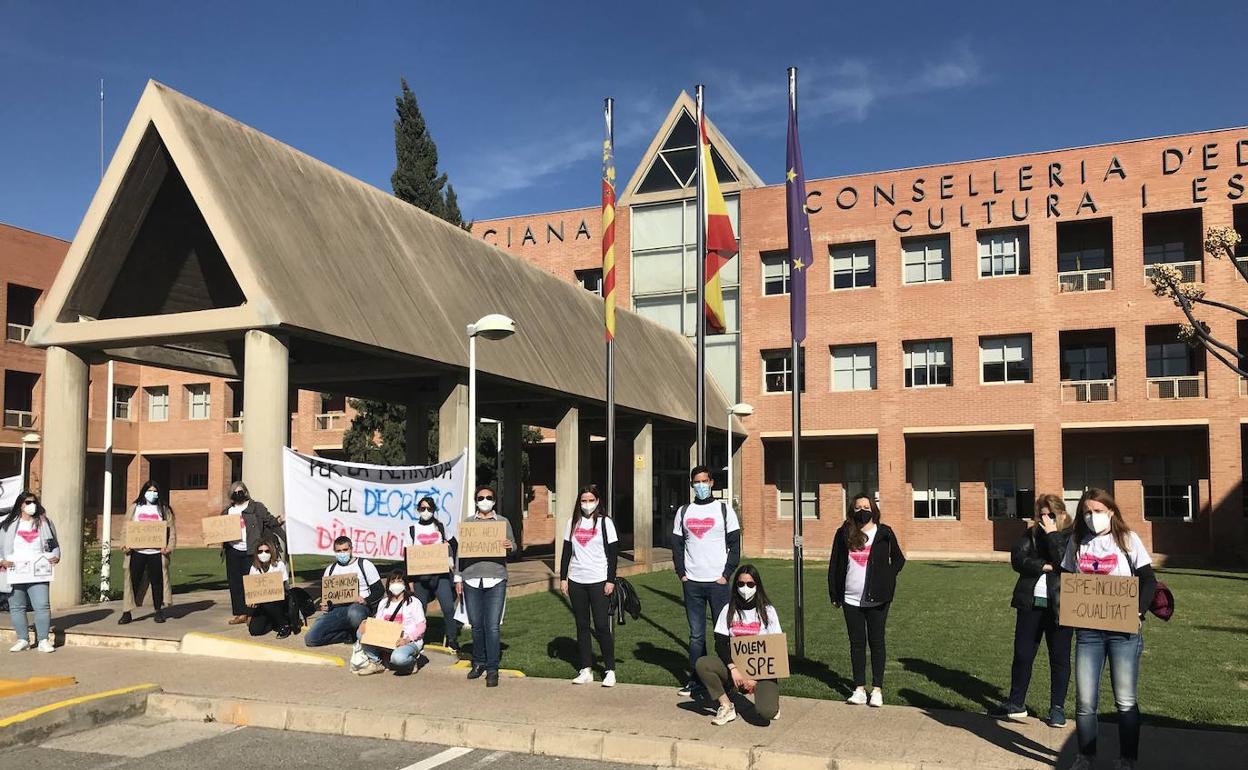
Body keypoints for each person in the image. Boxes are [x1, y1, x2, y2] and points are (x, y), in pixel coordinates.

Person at [1061, 488, 1156, 770]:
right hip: (1088, 632)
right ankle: (1085, 756)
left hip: (1123, 633)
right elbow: (1067, 578)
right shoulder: (1077, 541)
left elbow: (1148, 580)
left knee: (1125, 700)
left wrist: (1137, 611)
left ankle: (1127, 759)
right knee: (1085, 700)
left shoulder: (1127, 539)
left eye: (1098, 511)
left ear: (1111, 512)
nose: (1093, 517)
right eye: (1087, 512)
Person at [989, 494, 1073, 726]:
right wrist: (1043, 565)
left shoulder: (1070, 537)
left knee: (1059, 657)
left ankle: (1057, 708)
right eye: (1042, 515)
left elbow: (1066, 563)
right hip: (1031, 602)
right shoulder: (1031, 534)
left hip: (1060, 604)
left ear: (1062, 515)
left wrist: (1052, 534)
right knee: (1023, 653)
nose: (1045, 519)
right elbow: (1018, 558)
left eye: (1051, 515)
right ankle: (1016, 703)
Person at [828, 492, 905, 707]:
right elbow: (835, 563)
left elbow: (899, 559)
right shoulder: (844, 533)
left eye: (866, 506)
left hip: (878, 599)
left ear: (874, 509)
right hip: (851, 599)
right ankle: (859, 688)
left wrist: (888, 576)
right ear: (852, 510)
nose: (862, 511)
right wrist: (834, 593)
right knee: (857, 644)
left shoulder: (884, 533)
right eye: (858, 507)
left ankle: (877, 689)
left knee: (877, 642)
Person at [671, 464, 741, 697]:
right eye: (696, 482)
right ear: (692, 485)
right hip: (692, 582)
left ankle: (730, 680)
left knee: (723, 633)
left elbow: (735, 545)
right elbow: (677, 545)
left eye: (704, 481)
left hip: (717, 583)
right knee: (696, 635)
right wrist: (682, 574)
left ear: (712, 483)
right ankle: (697, 680)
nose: (700, 486)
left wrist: (726, 574)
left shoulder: (723, 510)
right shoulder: (684, 512)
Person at [695, 564, 782, 726]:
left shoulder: (767, 611)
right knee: (703, 664)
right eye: (741, 584)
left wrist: (754, 678)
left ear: (757, 585)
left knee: (766, 713)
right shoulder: (728, 610)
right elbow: (720, 643)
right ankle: (726, 705)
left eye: (750, 584)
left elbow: (775, 647)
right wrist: (734, 669)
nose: (745, 588)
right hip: (735, 667)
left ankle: (770, 699)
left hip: (762, 671)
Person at [455, 484, 516, 687]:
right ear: (475, 500)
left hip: (496, 578)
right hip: (471, 579)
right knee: (476, 626)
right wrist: (458, 578)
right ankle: (478, 662)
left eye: (488, 497)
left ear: (494, 500)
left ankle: (492, 668)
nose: (485, 501)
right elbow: (460, 554)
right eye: (481, 497)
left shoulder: (502, 522)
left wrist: (510, 546)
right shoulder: (468, 523)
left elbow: (514, 546)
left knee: (492, 626)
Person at [559, 484, 619, 687]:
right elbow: (566, 551)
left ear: (598, 501)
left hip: (599, 580)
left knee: (601, 625)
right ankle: (586, 668)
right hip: (577, 580)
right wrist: (563, 578)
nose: (587, 504)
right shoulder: (572, 523)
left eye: (590, 500)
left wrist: (610, 579)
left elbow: (613, 554)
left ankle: (609, 669)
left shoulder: (605, 523)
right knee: (582, 626)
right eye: (583, 500)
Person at [218, 480, 284, 625]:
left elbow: (269, 521)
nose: (238, 493)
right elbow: (219, 529)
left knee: (253, 582)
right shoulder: (227, 511)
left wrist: (279, 520)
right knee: (235, 582)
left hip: (251, 549)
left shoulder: (256, 507)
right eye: (235, 492)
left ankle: (252, 613)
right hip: (232, 550)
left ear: (246, 492)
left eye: (240, 491)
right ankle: (240, 613)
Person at [0, 491, 60, 653]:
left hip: (38, 571)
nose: (31, 505)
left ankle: (43, 640)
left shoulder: (44, 523)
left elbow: (54, 545)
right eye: (27, 502)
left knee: (42, 605)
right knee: (17, 606)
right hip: (15, 571)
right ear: (20, 505)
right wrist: (2, 561)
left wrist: (55, 556)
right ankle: (23, 639)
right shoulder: (8, 525)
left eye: (33, 502)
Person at [304, 536, 382, 649]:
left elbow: (379, 590)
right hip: (338, 610)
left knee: (354, 613)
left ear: (351, 549)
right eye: (338, 551)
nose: (342, 553)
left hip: (359, 608)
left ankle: (360, 631)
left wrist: (365, 601)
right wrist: (326, 605)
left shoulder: (364, 564)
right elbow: (328, 597)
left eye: (345, 550)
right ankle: (348, 634)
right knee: (311, 639)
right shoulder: (330, 570)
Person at [407, 496, 461, 652]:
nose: (426, 512)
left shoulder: (441, 528)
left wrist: (449, 553)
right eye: (423, 508)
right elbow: (407, 556)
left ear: (434, 511)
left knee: (448, 607)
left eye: (429, 509)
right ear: (418, 510)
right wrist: (409, 579)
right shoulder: (412, 529)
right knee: (419, 609)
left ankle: (452, 639)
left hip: (441, 575)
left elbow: (455, 544)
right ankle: (419, 638)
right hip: (419, 577)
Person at [119, 481, 176, 625]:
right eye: (150, 491)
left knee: (157, 582)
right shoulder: (135, 508)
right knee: (132, 582)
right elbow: (126, 528)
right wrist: (125, 545)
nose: (153, 494)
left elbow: (171, 530)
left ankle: (158, 610)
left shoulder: (163, 509)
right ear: (144, 492)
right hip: (137, 552)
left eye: (155, 491)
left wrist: (169, 547)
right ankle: (127, 612)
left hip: (156, 553)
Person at [355, 569, 427, 676]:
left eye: (399, 581)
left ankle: (411, 662)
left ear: (405, 584)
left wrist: (407, 640)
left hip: (408, 641)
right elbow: (378, 624)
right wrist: (367, 624)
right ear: (388, 584)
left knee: (398, 659)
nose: (396, 584)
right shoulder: (383, 603)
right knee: (361, 632)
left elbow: (421, 626)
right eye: (393, 581)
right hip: (388, 640)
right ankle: (376, 662)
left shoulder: (413, 602)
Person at [246, 536, 291, 638]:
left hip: (279, 601)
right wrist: (252, 601)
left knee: (269, 602)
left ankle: (284, 624)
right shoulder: (254, 568)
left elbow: (283, 585)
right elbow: (252, 588)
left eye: (266, 551)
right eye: (260, 551)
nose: (263, 554)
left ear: (271, 552)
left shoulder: (279, 565)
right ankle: (272, 622)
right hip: (261, 603)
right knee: (254, 630)